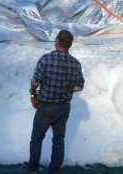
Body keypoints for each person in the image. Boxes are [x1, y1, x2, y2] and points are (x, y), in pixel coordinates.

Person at [27, 30, 84, 174]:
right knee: (59, 140)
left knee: (36, 139)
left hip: (46, 107)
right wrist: (67, 88)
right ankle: (54, 171)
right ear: (69, 45)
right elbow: (79, 86)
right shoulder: (75, 63)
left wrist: (33, 91)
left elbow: (35, 81)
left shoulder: (46, 59)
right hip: (64, 107)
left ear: (57, 41)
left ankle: (33, 170)